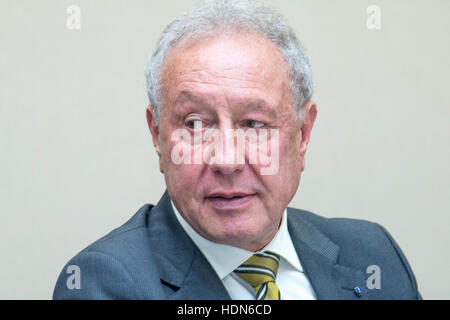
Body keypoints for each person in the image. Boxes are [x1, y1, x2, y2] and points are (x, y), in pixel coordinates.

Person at [53, 0, 421, 300]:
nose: (226, 159)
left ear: (303, 134)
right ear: (157, 135)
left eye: (254, 124)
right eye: (195, 124)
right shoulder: (105, 282)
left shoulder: (374, 254)